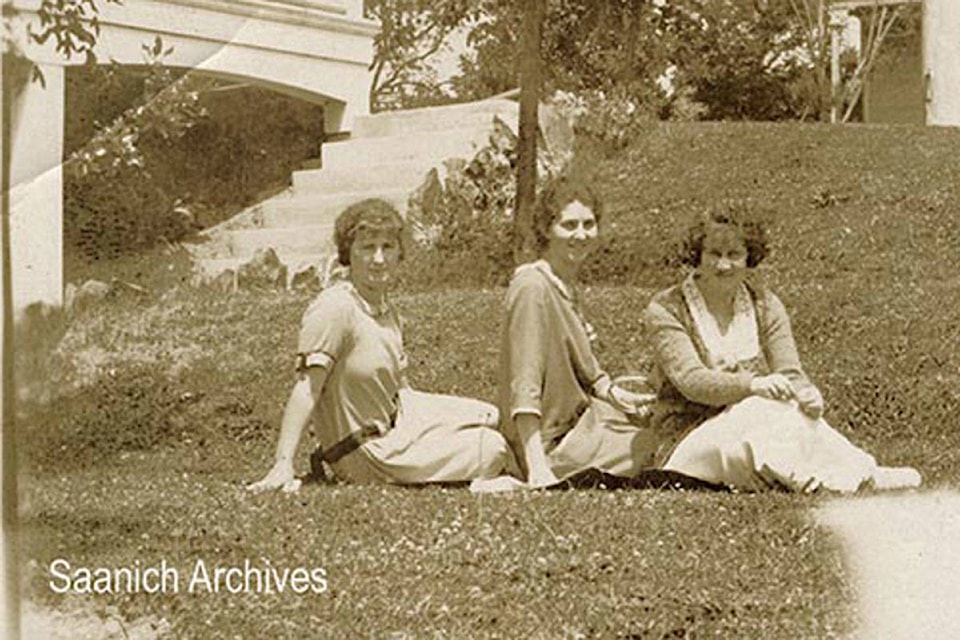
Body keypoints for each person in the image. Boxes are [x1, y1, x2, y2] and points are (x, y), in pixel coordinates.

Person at [642, 205, 922, 492]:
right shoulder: (667, 308)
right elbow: (692, 382)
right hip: (686, 440)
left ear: (749, 258)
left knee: (786, 410)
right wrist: (753, 385)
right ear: (697, 256)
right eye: (714, 254)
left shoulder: (764, 304)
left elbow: (790, 372)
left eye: (734, 255)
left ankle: (862, 471)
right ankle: (822, 480)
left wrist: (808, 394)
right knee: (759, 410)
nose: (723, 265)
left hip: (751, 423)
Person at [248, 198, 515, 491]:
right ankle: (508, 474)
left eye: (387, 247)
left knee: (492, 415)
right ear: (348, 254)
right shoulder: (335, 308)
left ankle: (526, 465)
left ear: (400, 252)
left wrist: (437, 423)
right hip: (364, 451)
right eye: (367, 248)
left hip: (398, 420)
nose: (378, 259)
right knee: (492, 447)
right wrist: (283, 463)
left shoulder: (387, 310)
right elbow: (306, 388)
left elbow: (402, 391)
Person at [496, 176, 659, 488]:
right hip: (555, 443)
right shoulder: (532, 287)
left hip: (585, 420)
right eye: (569, 225)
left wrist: (618, 394)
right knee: (660, 446)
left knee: (665, 421)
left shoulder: (564, 285)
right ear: (546, 229)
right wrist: (537, 468)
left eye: (588, 224)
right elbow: (525, 383)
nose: (581, 235)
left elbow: (587, 371)